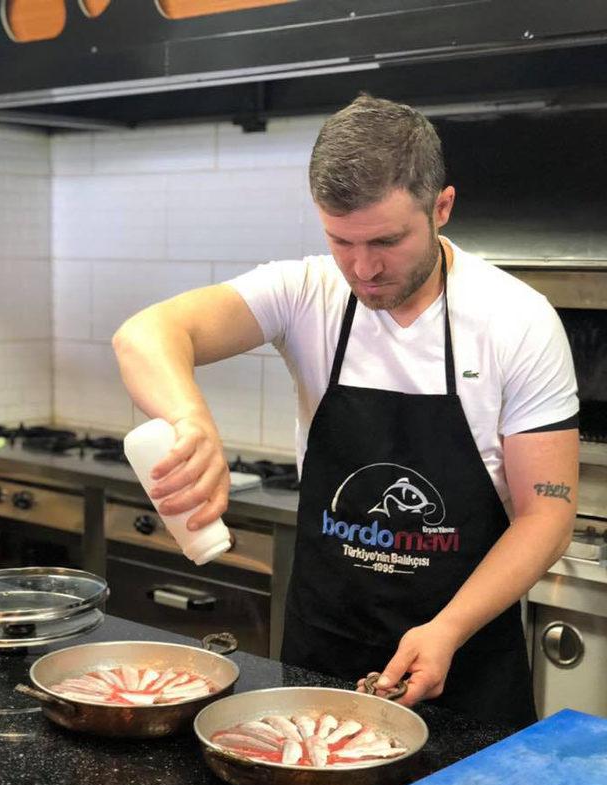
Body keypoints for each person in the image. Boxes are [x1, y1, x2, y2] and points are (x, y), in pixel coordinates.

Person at [113, 94, 579, 728]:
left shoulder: (516, 321)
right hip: (320, 656)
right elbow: (145, 334)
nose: (363, 268)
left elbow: (545, 514)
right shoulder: (305, 292)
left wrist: (446, 630)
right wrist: (191, 419)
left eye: (387, 240)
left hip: (463, 660)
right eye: (341, 241)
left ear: (441, 207)